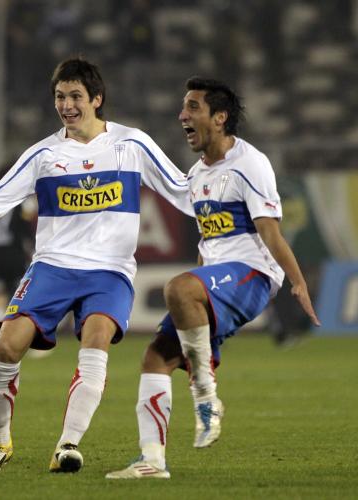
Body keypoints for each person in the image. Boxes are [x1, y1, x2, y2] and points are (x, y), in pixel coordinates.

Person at [0, 57, 194, 474]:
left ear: (97, 99)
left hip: (110, 271)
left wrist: (224, 211)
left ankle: (67, 445)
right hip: (52, 267)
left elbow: (181, 189)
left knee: (95, 345)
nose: (66, 105)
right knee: (6, 346)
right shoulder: (44, 153)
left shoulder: (132, 144)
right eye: (60, 97)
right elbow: (0, 194)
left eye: (75, 96)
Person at [106, 77, 320, 480]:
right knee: (154, 358)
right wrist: (198, 296)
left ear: (219, 118)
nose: (182, 115)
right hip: (216, 281)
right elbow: (208, 238)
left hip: (253, 276)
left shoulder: (250, 163)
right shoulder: (198, 173)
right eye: (183, 107)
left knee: (177, 287)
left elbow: (271, 232)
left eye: (192, 108)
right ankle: (152, 461)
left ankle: (205, 394)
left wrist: (297, 283)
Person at [0, 166, 36, 349]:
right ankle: (27, 342)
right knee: (23, 298)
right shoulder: (18, 201)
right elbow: (25, 228)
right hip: (15, 255)